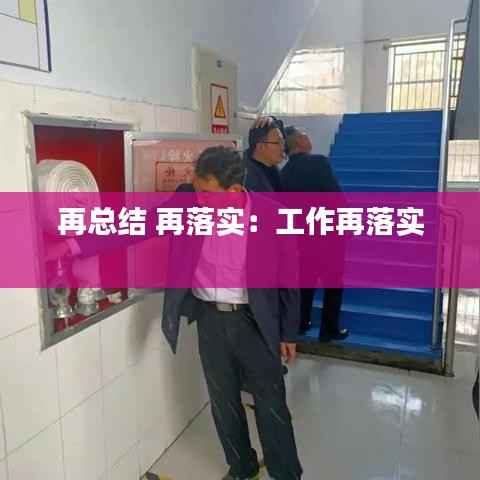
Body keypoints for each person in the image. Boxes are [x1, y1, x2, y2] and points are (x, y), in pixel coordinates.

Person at [162, 147, 303, 480]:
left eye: (208, 194)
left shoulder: (272, 215)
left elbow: (290, 278)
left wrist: (288, 332)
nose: (200, 201)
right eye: (197, 191)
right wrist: (74, 245)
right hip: (209, 319)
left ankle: (285, 473)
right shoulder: (189, 205)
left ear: (235, 190)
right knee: (223, 402)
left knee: (271, 405)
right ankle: (242, 468)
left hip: (255, 322)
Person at [280, 126, 349, 342]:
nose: (308, 138)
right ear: (299, 142)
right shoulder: (319, 162)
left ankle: (301, 323)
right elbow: (336, 198)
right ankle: (329, 330)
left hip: (301, 238)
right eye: (305, 135)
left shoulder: (283, 173)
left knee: (305, 281)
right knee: (333, 283)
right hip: (327, 235)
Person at [244, 119, 286, 192]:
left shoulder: (270, 166)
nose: (283, 147)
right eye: (278, 142)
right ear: (261, 147)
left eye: (283, 142)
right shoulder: (249, 179)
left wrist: (271, 119)